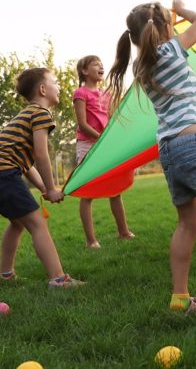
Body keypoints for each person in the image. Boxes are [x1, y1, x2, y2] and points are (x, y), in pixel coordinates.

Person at [106, 0, 196, 312]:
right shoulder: (171, 50)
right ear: (166, 28)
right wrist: (184, 10)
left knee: (186, 223)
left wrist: (167, 21)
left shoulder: (141, 66)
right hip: (194, 141)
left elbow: (160, 38)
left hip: (168, 149)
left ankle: (180, 298)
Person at [0, 68, 84, 289]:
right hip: (0, 173)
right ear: (42, 89)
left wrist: (43, 188)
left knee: (17, 222)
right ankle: (59, 280)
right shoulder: (41, 113)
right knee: (37, 223)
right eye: (54, 82)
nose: (58, 86)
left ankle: (4, 275)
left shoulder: (24, 114)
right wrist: (51, 188)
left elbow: (26, 163)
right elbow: (41, 155)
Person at [74, 55, 134, 248]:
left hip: (105, 144)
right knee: (88, 193)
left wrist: (114, 138)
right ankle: (91, 240)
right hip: (88, 145)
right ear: (84, 71)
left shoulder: (105, 94)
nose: (100, 66)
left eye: (101, 64)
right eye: (95, 64)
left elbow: (110, 119)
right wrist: (101, 139)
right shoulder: (80, 93)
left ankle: (123, 232)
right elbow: (83, 124)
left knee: (115, 190)